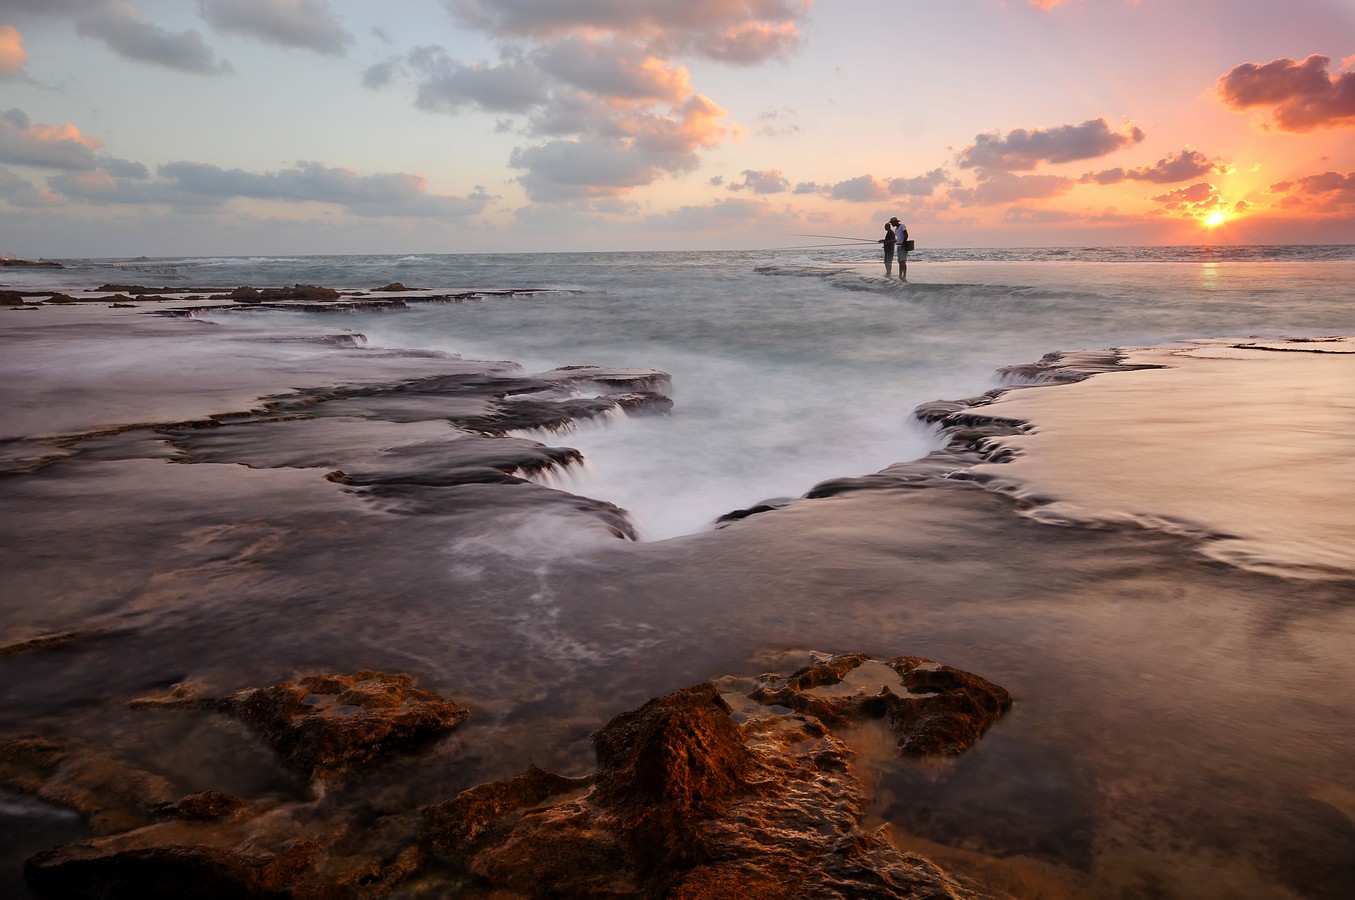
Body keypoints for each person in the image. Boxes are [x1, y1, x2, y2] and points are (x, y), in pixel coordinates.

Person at [889, 216, 909, 281]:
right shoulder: (896, 229)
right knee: (900, 262)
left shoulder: (902, 226)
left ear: (895, 222)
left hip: (903, 246)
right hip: (898, 246)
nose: (891, 224)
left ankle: (904, 275)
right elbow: (897, 239)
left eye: (892, 223)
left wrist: (903, 243)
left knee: (903, 261)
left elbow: (906, 235)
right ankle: (900, 275)